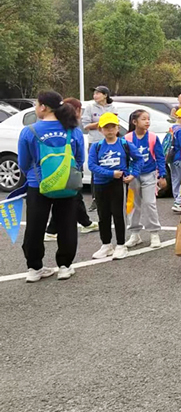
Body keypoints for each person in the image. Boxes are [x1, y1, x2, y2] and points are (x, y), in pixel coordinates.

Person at [19, 92, 86, 282]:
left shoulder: (29, 131)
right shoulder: (73, 130)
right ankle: (64, 266)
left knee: (35, 226)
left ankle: (34, 268)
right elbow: (80, 159)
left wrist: (34, 175)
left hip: (37, 184)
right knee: (66, 224)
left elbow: (23, 162)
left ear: (43, 107)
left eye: (36, 104)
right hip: (67, 183)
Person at [89, 112, 143, 260]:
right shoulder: (96, 146)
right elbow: (92, 165)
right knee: (103, 215)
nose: (110, 130)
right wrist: (110, 174)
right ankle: (106, 244)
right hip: (100, 184)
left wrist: (133, 174)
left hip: (119, 185)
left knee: (118, 214)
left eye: (112, 127)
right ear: (100, 129)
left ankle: (120, 245)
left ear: (118, 128)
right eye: (106, 127)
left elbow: (138, 159)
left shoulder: (124, 144)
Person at [44, 97, 98, 239]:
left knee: (74, 197)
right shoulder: (73, 131)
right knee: (66, 197)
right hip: (70, 169)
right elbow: (80, 156)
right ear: (76, 110)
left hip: (52, 170)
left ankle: (85, 223)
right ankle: (51, 231)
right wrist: (76, 168)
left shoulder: (54, 128)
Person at [125, 109, 168, 251]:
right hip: (133, 175)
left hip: (149, 174)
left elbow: (160, 157)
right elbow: (124, 158)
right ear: (134, 122)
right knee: (133, 204)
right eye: (144, 119)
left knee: (150, 203)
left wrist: (162, 175)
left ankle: (154, 233)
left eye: (148, 119)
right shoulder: (128, 138)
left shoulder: (153, 137)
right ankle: (134, 233)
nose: (147, 122)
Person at [81, 86, 118, 212]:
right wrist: (101, 123)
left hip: (109, 141)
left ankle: (111, 197)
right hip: (95, 142)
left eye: (98, 93)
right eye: (94, 93)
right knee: (95, 170)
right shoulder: (90, 107)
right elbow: (85, 125)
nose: (95, 96)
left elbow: (115, 123)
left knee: (111, 166)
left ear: (105, 95)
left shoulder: (112, 108)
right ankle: (95, 199)